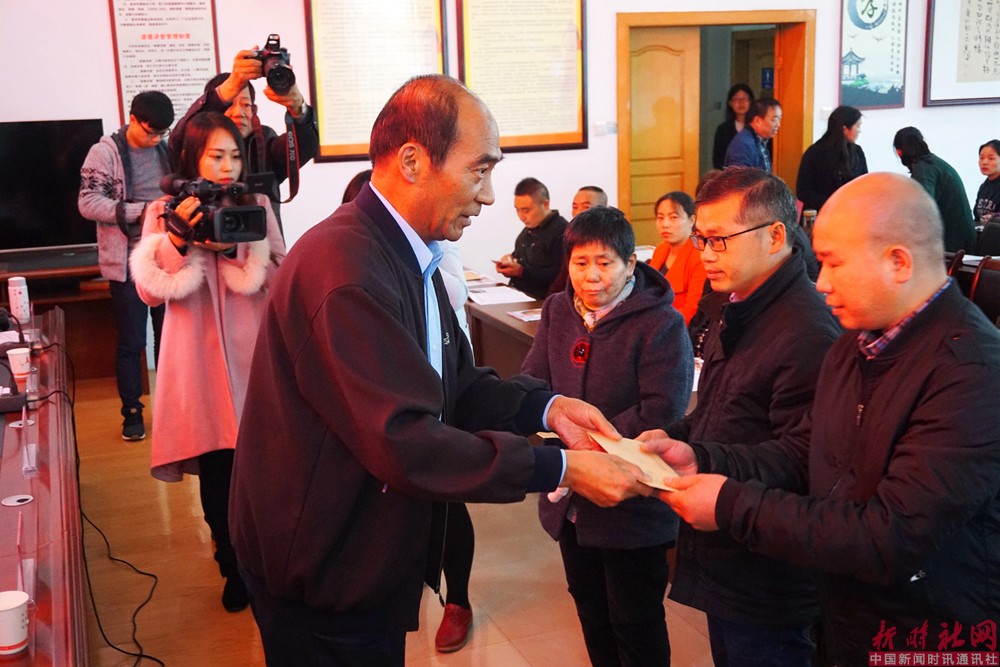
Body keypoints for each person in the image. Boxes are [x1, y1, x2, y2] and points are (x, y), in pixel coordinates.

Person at [228, 74, 648, 666]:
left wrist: (548, 408)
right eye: (479, 171)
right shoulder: (347, 267)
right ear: (412, 162)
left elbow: (454, 383)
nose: (489, 196)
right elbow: (403, 439)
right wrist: (559, 467)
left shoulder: (406, 253)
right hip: (322, 557)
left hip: (360, 546)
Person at [644, 172, 1000, 666]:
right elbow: (804, 453)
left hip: (930, 637)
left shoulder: (970, 372)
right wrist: (700, 457)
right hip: (849, 613)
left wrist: (730, 504)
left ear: (898, 262)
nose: (823, 281)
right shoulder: (856, 345)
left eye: (835, 263)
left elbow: (890, 537)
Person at [650, 167, 842, 667]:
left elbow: (804, 461)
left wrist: (700, 456)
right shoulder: (736, 305)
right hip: (727, 549)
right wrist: (672, 437)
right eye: (701, 239)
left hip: (769, 570)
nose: (705, 254)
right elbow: (722, 412)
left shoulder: (807, 332)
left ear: (775, 235)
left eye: (719, 240)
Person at [129, 112, 286, 613]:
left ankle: (268, 564)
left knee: (264, 471)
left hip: (252, 358)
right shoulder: (164, 209)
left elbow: (280, 277)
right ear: (191, 158)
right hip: (195, 361)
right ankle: (231, 566)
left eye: (235, 156)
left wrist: (238, 249)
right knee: (219, 474)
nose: (227, 166)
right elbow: (149, 292)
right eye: (216, 156)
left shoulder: (256, 203)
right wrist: (178, 241)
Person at [524, 206, 693, 667]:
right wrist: (557, 429)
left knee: (635, 620)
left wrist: (585, 440)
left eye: (605, 262)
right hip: (571, 499)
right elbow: (533, 379)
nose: (591, 276)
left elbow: (663, 407)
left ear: (630, 263)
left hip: (631, 500)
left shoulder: (660, 323)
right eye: (581, 263)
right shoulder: (558, 310)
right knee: (590, 609)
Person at [78, 90, 173, 441]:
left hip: (167, 258)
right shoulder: (104, 152)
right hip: (127, 261)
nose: (155, 139)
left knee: (170, 340)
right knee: (132, 342)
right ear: (132, 119)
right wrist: (142, 212)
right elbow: (88, 202)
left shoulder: (166, 149)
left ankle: (170, 411)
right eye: (150, 131)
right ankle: (132, 413)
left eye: (161, 133)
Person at [169, 48, 321, 231]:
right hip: (203, 239)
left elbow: (307, 146)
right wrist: (230, 86)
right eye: (229, 103)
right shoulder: (194, 146)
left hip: (262, 243)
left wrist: (299, 109)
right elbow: (181, 137)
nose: (239, 113)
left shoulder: (263, 143)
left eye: (246, 105)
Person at [893, 127, 976, 253]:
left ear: (899, 152)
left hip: (952, 245)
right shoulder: (932, 164)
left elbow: (921, 211)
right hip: (961, 239)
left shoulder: (924, 170)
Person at [494, 177, 569, 298]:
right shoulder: (529, 229)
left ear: (545, 204)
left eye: (526, 210)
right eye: (517, 210)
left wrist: (521, 272)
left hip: (538, 300)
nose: (521, 216)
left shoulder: (562, 231)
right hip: (516, 293)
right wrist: (508, 262)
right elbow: (520, 259)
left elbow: (560, 275)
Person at [648, 191, 708, 324]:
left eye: (673, 217)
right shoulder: (661, 249)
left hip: (677, 326)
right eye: (660, 218)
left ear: (691, 220)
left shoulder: (700, 255)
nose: (665, 224)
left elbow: (692, 310)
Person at [796, 105, 868, 213]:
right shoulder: (814, 153)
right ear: (845, 129)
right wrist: (833, 203)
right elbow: (803, 191)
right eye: (857, 126)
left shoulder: (857, 152)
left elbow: (864, 183)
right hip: (822, 214)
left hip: (851, 213)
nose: (859, 131)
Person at [724, 97, 781, 171]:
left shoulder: (759, 140)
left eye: (779, 119)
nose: (778, 125)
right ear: (757, 121)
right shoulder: (743, 145)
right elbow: (739, 177)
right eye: (774, 120)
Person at [712, 84, 755, 170]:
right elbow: (718, 160)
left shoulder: (758, 128)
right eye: (736, 99)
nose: (741, 102)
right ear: (730, 103)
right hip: (729, 175)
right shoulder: (723, 129)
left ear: (751, 101)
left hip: (754, 175)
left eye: (745, 98)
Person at [974, 139, 1000, 225]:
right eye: (981, 158)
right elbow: (977, 218)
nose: (984, 162)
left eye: (991, 158)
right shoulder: (984, 187)